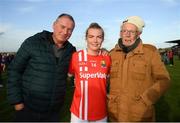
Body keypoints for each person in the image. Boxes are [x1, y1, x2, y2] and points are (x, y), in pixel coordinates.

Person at [7, 13, 76, 121]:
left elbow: (83, 64)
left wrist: (101, 54)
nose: (65, 32)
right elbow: (14, 70)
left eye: (70, 29)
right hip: (28, 109)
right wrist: (17, 103)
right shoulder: (33, 42)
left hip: (53, 112)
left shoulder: (71, 50)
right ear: (54, 25)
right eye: (62, 27)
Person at [107, 16, 170, 122]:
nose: (127, 34)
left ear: (139, 33)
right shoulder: (111, 54)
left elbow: (164, 80)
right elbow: (104, 80)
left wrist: (146, 99)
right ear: (120, 32)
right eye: (124, 31)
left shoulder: (150, 53)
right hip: (115, 114)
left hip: (139, 115)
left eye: (131, 31)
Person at [68, 23, 111, 122]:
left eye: (99, 37)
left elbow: (108, 80)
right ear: (86, 38)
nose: (95, 40)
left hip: (101, 112)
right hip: (79, 113)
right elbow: (69, 76)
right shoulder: (76, 57)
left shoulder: (107, 57)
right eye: (91, 36)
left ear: (102, 39)